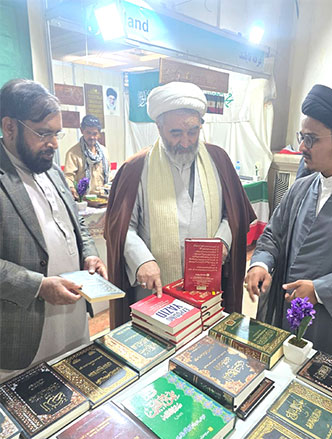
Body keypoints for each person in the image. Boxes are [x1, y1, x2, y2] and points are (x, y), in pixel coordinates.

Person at [244, 84, 332, 372]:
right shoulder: (302, 187)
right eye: (301, 137)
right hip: (286, 313)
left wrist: (321, 290)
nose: (302, 147)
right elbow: (273, 236)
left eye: (311, 139)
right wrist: (261, 264)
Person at [105, 82, 255, 327]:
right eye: (176, 133)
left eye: (193, 132)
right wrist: (142, 260)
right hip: (156, 290)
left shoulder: (218, 160)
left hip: (208, 289)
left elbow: (234, 213)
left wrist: (222, 244)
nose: (186, 142)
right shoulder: (137, 168)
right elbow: (122, 228)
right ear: (159, 127)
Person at [0, 79, 108, 380]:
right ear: (9, 127)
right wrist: (38, 285)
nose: (54, 144)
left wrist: (89, 255)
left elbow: (77, 225)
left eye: (57, 133)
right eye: (43, 133)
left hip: (73, 322)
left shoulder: (52, 169)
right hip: (23, 334)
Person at [63, 114, 109, 198]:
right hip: (84, 200)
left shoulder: (104, 151)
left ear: (99, 134)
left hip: (103, 198)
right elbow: (68, 177)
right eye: (88, 133)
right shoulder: (73, 153)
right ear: (82, 130)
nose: (92, 137)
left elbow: (107, 175)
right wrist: (71, 188)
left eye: (95, 133)